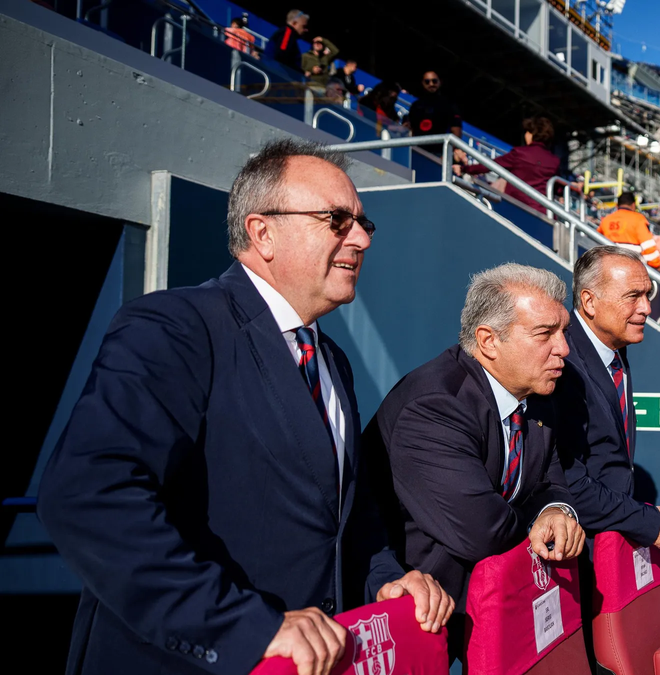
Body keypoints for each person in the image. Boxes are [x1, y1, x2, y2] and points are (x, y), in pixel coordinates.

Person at [37, 140, 451, 675]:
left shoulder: (333, 360)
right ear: (262, 232)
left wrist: (387, 578)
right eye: (337, 219)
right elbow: (88, 495)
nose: (361, 238)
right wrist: (246, 627)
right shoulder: (176, 327)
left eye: (364, 223)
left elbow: (348, 516)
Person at [363, 264, 586, 632]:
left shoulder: (539, 393)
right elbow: (483, 533)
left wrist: (557, 512)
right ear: (488, 341)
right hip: (425, 618)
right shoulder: (434, 406)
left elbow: (551, 482)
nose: (563, 348)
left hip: (489, 610)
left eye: (563, 331)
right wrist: (538, 521)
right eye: (545, 333)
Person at [553, 246, 660, 549]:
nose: (646, 308)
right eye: (633, 296)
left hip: (606, 542)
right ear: (589, 301)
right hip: (576, 551)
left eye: (647, 295)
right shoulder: (562, 365)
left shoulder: (615, 350)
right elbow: (567, 482)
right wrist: (645, 520)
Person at [456, 117, 562, 214]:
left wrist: (465, 168)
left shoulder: (520, 153)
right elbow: (558, 189)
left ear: (531, 134)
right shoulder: (554, 161)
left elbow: (490, 165)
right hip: (541, 212)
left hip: (515, 207)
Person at [598, 192, 660, 269]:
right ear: (633, 205)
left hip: (608, 265)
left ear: (617, 205)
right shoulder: (638, 219)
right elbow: (648, 246)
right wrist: (656, 264)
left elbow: (597, 241)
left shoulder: (606, 220)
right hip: (631, 266)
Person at [403, 70, 462, 137]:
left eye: (434, 81)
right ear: (423, 83)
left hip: (439, 146)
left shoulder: (450, 105)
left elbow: (456, 131)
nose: (431, 84)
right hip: (416, 145)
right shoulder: (415, 106)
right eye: (427, 82)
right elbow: (410, 129)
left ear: (440, 82)